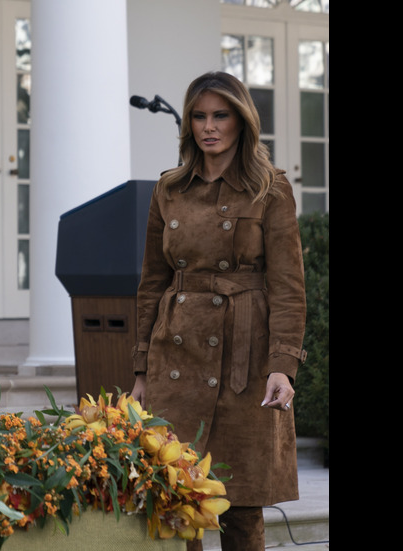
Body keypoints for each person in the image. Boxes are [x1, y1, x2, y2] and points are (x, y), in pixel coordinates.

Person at [129, 72, 306, 551]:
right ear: (188, 124)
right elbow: (152, 283)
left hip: (243, 361)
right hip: (176, 353)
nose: (210, 126)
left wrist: (282, 366)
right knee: (176, 495)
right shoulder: (169, 189)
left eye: (220, 115)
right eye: (200, 116)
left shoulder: (270, 189)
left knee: (241, 502)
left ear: (241, 120)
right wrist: (142, 368)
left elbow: (288, 287)